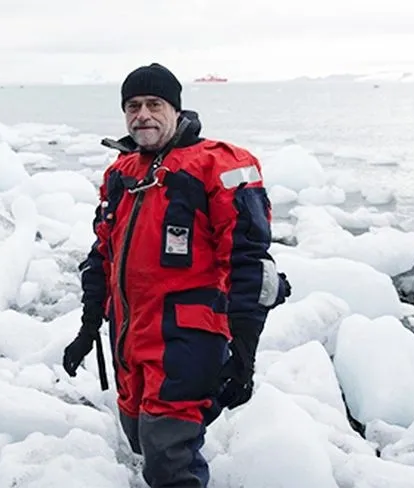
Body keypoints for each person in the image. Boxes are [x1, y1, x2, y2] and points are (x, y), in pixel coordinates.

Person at [62, 63, 290, 488]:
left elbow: (251, 266)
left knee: (169, 456)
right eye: (132, 106)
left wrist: (243, 355)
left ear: (176, 109)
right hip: (129, 337)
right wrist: (88, 325)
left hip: (187, 339)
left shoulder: (217, 167)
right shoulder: (122, 174)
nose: (142, 115)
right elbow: (102, 255)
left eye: (154, 104)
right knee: (139, 437)